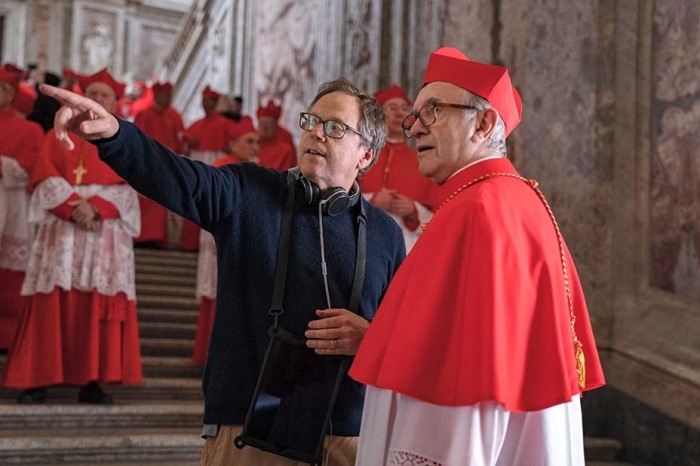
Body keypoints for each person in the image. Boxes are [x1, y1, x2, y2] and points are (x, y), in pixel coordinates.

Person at [41, 76, 405, 465]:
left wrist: (373, 337)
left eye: (334, 127)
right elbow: (176, 177)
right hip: (248, 430)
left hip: (348, 434)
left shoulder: (385, 234)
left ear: (365, 155)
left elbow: (406, 333)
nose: (316, 133)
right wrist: (114, 134)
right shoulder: (246, 193)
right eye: (311, 121)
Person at [350, 47, 606, 465]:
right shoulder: (501, 196)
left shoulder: (481, 207)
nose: (414, 129)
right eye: (415, 116)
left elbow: (467, 382)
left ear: (484, 123)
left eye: (432, 110)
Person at [1, 68, 143, 404]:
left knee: (97, 305)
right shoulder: (58, 133)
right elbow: (45, 175)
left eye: (104, 94)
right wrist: (72, 206)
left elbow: (133, 185)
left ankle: (91, 381)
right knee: (51, 302)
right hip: (62, 231)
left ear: (115, 101)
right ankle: (38, 380)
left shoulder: (127, 137)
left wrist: (95, 207)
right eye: (91, 91)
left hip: (103, 233)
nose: (96, 98)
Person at [192, 116, 259, 365]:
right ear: (233, 143)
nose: (255, 146)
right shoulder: (222, 167)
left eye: (257, 142)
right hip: (222, 247)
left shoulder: (254, 170)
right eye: (249, 141)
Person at [360, 84, 435, 251]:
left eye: (404, 108)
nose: (399, 113)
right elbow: (341, 198)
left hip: (406, 248)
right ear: (379, 116)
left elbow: (436, 220)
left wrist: (413, 210)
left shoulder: (422, 160)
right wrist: (371, 201)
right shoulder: (362, 155)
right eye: (392, 108)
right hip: (362, 242)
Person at [0, 68, 44, 351]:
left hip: (13, 205)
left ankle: (8, 339)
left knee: (10, 280)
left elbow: (32, 167)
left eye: (3, 88)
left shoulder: (30, 129)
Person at [180, 85, 237, 251]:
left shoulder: (225, 124)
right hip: (197, 162)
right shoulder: (197, 124)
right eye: (203, 101)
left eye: (209, 102)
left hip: (217, 164)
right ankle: (189, 243)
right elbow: (185, 144)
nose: (206, 105)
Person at [133, 81, 185, 248]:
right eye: (164, 95)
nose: (168, 99)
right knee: (150, 202)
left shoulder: (174, 115)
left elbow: (179, 139)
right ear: (156, 95)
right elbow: (138, 139)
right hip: (150, 163)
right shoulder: (144, 115)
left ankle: (163, 238)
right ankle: (146, 237)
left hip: (170, 163)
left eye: (169, 95)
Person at [256, 101, 297, 170]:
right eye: (261, 123)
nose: (264, 127)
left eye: (268, 124)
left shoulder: (285, 148)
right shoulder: (252, 142)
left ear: (275, 125)